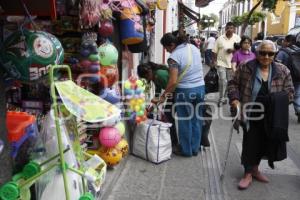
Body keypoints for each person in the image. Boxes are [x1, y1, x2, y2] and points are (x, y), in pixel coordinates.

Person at [228, 40, 294, 190]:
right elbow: (232, 83)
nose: (266, 56)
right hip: (250, 112)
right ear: (257, 53)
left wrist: (277, 100)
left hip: (272, 115)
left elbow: (290, 92)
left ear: (275, 54)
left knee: (265, 143)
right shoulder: (246, 67)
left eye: (270, 53)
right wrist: (235, 98)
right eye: (262, 53)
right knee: (250, 142)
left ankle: (256, 170)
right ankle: (247, 173)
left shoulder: (283, 70)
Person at [153, 32, 205, 157]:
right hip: (200, 88)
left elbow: (172, 81)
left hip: (185, 91)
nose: (167, 51)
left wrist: (162, 98)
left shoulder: (174, 57)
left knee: (185, 121)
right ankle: (195, 148)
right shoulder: (193, 47)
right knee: (196, 119)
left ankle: (186, 150)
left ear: (172, 44)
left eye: (166, 48)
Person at [137, 62, 178, 146]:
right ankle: (173, 140)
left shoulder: (159, 74)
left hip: (177, 93)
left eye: (146, 77)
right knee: (169, 115)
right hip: (172, 94)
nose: (147, 80)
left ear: (149, 72)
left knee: (169, 115)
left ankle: (173, 141)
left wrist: (163, 98)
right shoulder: (155, 76)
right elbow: (158, 93)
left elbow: (171, 87)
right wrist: (153, 105)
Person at [212, 22, 241, 106]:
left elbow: (240, 50)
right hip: (221, 63)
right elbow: (214, 51)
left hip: (232, 64)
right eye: (228, 28)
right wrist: (214, 61)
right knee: (222, 81)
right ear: (225, 29)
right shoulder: (220, 38)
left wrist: (232, 50)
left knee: (229, 82)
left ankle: (225, 97)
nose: (229, 29)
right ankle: (221, 98)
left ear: (234, 29)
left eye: (231, 28)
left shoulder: (237, 38)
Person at [275, 34, 300, 122]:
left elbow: (277, 65)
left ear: (287, 42)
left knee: (282, 96)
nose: (283, 42)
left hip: (286, 78)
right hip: (298, 77)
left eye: (284, 40)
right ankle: (299, 110)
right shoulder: (298, 50)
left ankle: (279, 114)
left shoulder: (283, 52)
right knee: (297, 95)